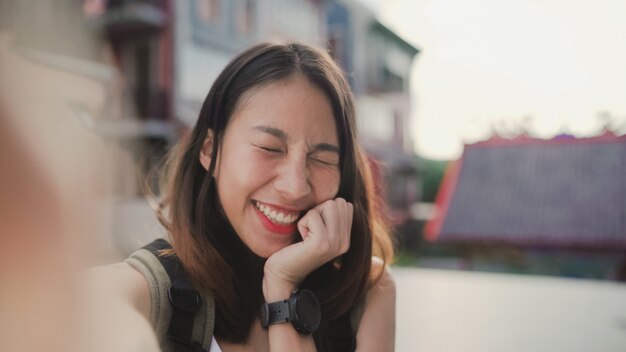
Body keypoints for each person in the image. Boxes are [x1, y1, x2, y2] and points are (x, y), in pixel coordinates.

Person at [89, 42, 395, 352]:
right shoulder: (150, 291)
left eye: (323, 158)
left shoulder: (368, 295)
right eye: (269, 148)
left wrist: (284, 291)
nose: (295, 187)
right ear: (210, 149)